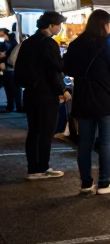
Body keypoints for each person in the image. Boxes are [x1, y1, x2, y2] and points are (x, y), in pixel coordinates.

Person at [63, 9, 110, 196]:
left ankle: (85, 184)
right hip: (104, 99)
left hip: (83, 97)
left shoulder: (75, 44)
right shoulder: (105, 44)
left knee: (85, 143)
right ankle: (104, 183)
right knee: (106, 142)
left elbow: (66, 67)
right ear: (104, 25)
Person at [13, 12, 70, 180]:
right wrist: (63, 90)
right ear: (51, 25)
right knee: (45, 133)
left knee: (34, 132)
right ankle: (41, 169)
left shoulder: (28, 42)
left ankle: (35, 168)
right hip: (46, 95)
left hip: (30, 93)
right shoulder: (48, 43)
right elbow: (55, 69)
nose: (59, 28)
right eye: (58, 25)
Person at [5, 33, 24, 112]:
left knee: (11, 89)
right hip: (13, 70)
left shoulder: (17, 46)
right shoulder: (20, 46)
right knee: (15, 90)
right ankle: (17, 106)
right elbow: (12, 60)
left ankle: (11, 106)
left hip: (10, 70)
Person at [0, 28, 18, 112]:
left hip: (11, 68)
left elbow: (11, 54)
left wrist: (5, 55)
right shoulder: (5, 42)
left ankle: (14, 106)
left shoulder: (12, 42)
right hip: (6, 68)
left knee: (12, 88)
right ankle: (11, 105)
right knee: (9, 88)